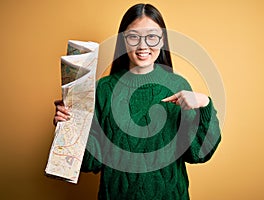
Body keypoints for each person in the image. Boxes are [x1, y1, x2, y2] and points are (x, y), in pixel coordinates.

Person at [54, 3, 221, 200]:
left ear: (162, 41)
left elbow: (198, 154)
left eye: (152, 36)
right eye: (133, 36)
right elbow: (91, 162)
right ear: (123, 40)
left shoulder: (178, 85)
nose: (143, 46)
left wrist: (205, 104)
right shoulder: (103, 90)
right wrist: (69, 125)